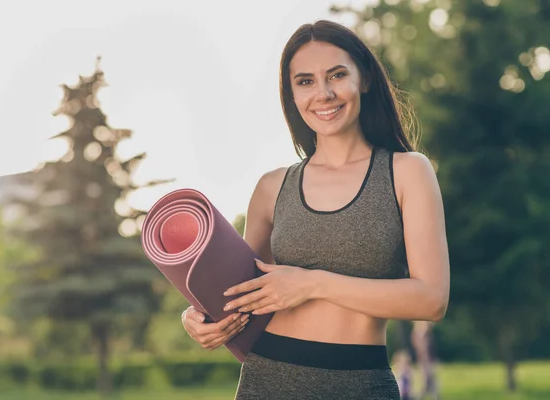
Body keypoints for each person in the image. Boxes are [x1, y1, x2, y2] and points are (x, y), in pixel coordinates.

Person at [181, 19, 450, 399]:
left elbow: (432, 299)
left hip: (361, 384)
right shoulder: (272, 187)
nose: (323, 93)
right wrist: (195, 318)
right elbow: (236, 294)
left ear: (365, 80)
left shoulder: (408, 172)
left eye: (337, 75)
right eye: (305, 81)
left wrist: (312, 283)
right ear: (291, 95)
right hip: (267, 382)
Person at [411, 321, 440, 399]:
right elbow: (422, 350)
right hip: (424, 361)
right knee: (425, 381)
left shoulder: (426, 335)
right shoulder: (420, 335)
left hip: (428, 361)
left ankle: (430, 396)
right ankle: (419, 396)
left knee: (430, 380)